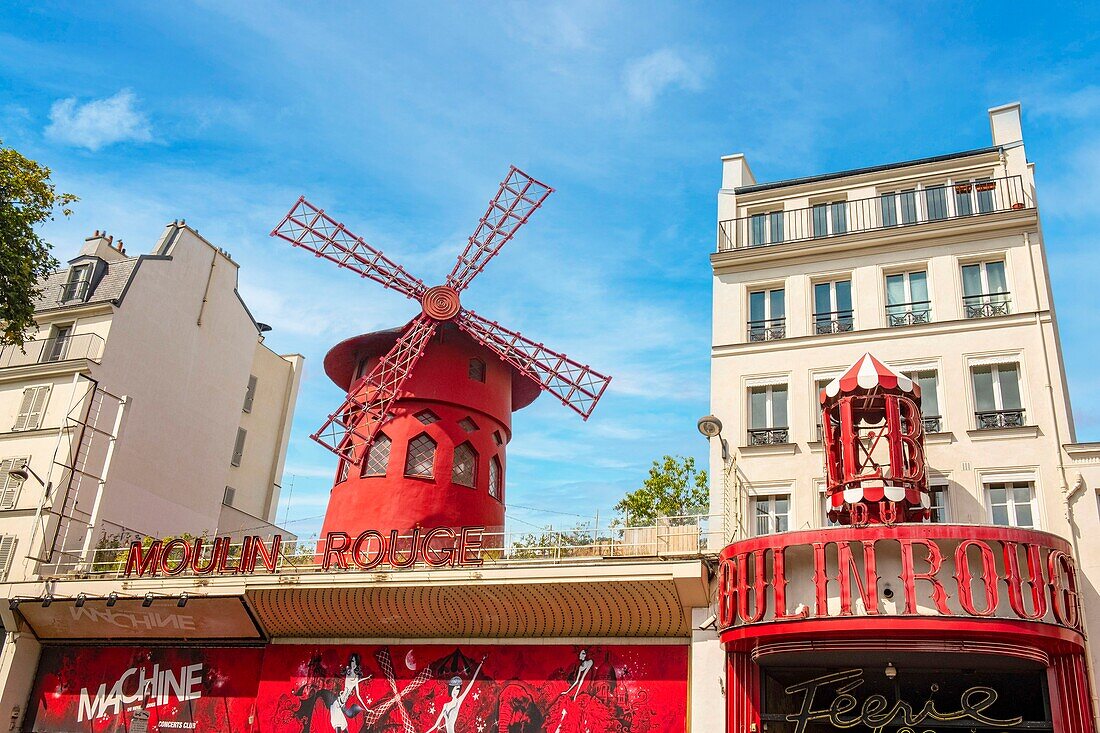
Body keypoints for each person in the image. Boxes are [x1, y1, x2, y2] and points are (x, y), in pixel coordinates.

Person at [425, 656, 486, 733]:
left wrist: (480, 664)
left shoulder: (458, 701)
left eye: (457, 689)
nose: (455, 691)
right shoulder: (445, 705)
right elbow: (435, 725)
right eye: (453, 688)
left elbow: (471, 683)